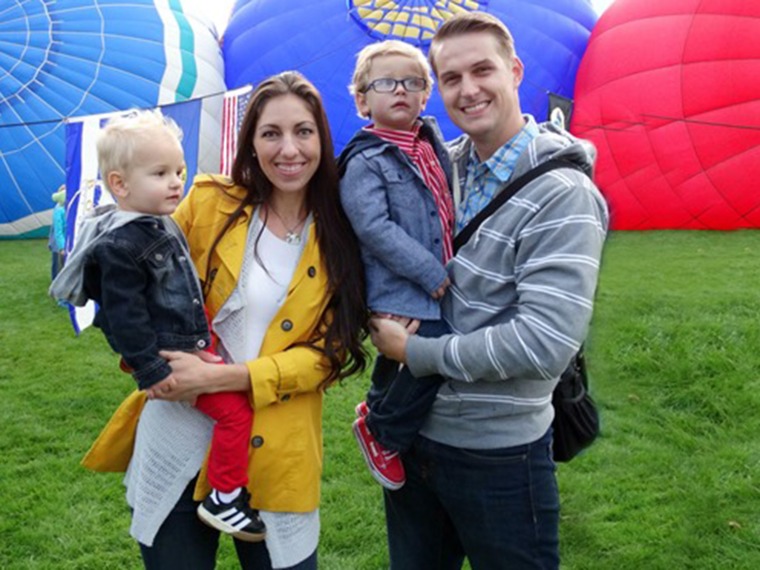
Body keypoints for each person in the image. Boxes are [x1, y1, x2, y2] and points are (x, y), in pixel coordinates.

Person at [77, 72, 369, 570]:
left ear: (322, 136)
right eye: (271, 133)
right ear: (251, 141)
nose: (288, 149)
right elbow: (133, 285)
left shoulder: (344, 229)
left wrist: (227, 377)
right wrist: (147, 362)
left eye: (303, 131)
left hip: (279, 448)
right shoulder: (210, 202)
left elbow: (330, 354)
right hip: (179, 430)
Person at [369, 12, 609, 570]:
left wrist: (414, 353)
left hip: (497, 454)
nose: (468, 89)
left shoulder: (563, 193)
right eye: (450, 78)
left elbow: (545, 342)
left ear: (515, 70)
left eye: (483, 70)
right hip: (410, 436)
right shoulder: (437, 170)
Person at [49, 109, 266, 543]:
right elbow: (121, 317)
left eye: (179, 171)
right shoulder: (121, 244)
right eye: (160, 173)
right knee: (236, 414)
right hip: (172, 359)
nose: (175, 182)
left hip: (190, 343)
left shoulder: (157, 224)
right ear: (120, 184)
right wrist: (151, 370)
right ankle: (224, 495)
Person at [337, 40, 454, 491]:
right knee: (438, 352)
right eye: (386, 83)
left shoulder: (429, 142)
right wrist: (430, 271)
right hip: (399, 281)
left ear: (426, 94)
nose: (400, 90)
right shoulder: (365, 160)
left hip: (431, 276)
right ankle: (382, 431)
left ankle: (378, 405)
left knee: (400, 359)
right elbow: (373, 227)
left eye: (412, 82)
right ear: (363, 100)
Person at [48, 186, 67, 281]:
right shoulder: (59, 210)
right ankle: (55, 281)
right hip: (58, 243)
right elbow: (57, 230)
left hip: (65, 241)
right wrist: (61, 247)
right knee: (57, 264)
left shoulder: (66, 208)